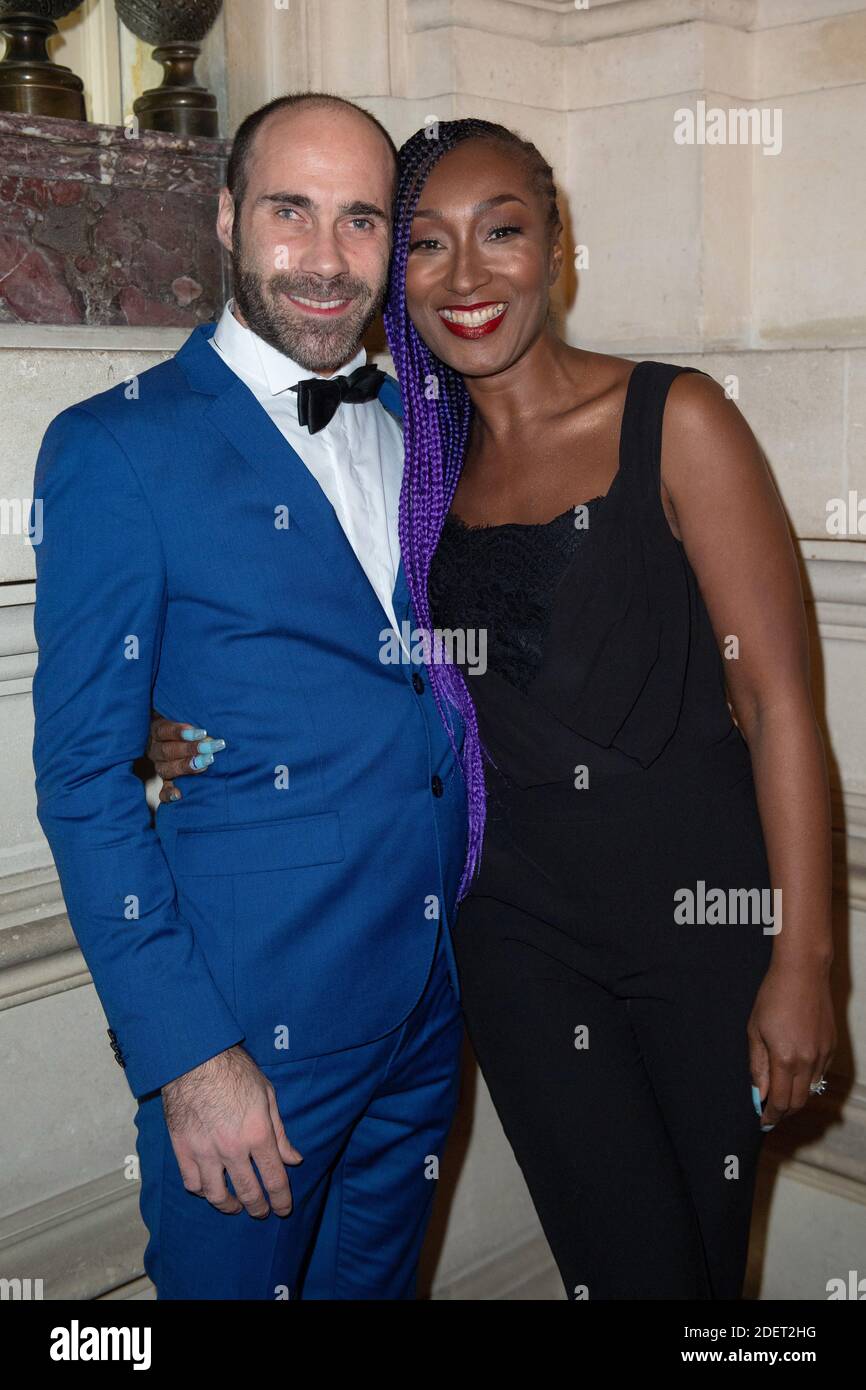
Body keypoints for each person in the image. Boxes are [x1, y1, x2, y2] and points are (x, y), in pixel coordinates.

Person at [155, 115, 837, 1301]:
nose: (465, 277)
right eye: (420, 243)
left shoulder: (674, 420)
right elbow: (321, 648)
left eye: (501, 233)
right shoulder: (412, 453)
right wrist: (180, 725)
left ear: (556, 249)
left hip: (700, 929)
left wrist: (806, 960)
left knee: (699, 1277)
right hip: (512, 941)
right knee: (614, 1265)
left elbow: (778, 704)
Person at [31, 94, 470, 1301]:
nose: (327, 261)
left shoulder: (423, 427)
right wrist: (190, 1058)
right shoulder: (112, 449)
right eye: (291, 212)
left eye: (362, 220)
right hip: (248, 1032)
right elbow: (83, 780)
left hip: (431, 1006)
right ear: (226, 217)